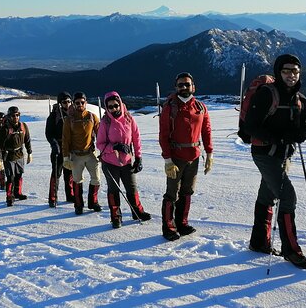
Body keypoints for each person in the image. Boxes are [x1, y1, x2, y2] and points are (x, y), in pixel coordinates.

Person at [243, 54, 306, 269]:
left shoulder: (301, 100)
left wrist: (298, 134)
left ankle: (258, 242)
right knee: (287, 196)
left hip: (283, 154)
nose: (291, 75)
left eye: (295, 71)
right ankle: (291, 250)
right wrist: (277, 137)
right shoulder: (266, 94)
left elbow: (304, 127)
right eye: (286, 70)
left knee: (268, 193)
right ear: (278, 72)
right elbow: (251, 127)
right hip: (264, 153)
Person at [159, 72, 213, 241]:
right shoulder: (170, 107)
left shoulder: (200, 107)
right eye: (180, 85)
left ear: (193, 87)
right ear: (176, 87)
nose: (184, 87)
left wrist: (209, 153)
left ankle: (182, 223)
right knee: (172, 193)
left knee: (187, 191)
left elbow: (206, 131)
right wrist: (167, 160)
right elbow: (163, 135)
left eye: (187, 84)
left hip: (194, 156)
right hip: (176, 157)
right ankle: (168, 226)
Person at [97, 91, 151, 228]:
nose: (114, 109)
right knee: (114, 189)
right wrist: (114, 146)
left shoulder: (129, 118)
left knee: (132, 188)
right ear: (106, 107)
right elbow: (99, 144)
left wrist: (138, 158)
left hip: (127, 161)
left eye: (116, 105)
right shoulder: (105, 122)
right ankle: (116, 216)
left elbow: (136, 138)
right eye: (110, 107)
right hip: (110, 162)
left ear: (120, 104)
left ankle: (137, 211)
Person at [62, 92, 102, 215]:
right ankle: (78, 205)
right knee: (77, 180)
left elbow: (100, 135)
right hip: (76, 155)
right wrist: (65, 157)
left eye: (82, 102)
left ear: (86, 102)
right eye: (77, 103)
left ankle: (93, 202)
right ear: (73, 104)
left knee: (96, 179)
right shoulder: (69, 119)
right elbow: (65, 139)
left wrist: (104, 151)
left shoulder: (92, 117)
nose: (80, 104)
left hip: (90, 153)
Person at [0, 106, 33, 206]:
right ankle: (9, 196)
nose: (16, 117)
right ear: (9, 117)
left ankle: (18, 193)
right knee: (10, 177)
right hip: (9, 156)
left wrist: (30, 153)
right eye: (13, 115)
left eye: (17, 115)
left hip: (20, 154)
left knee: (19, 175)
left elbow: (27, 140)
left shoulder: (23, 126)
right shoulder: (5, 129)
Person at [45, 91, 75, 207]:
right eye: (64, 102)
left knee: (70, 173)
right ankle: (52, 197)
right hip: (58, 148)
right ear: (60, 103)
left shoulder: (73, 114)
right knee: (56, 173)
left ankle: (70, 195)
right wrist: (54, 145)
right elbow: (49, 133)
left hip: (70, 148)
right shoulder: (53, 116)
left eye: (68, 101)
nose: (67, 104)